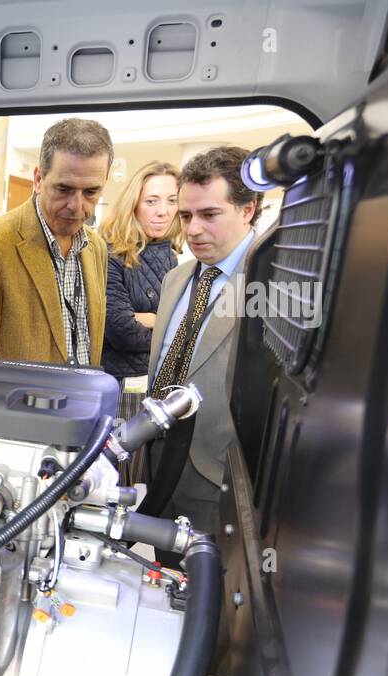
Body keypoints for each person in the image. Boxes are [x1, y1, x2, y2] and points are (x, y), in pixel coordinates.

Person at [146, 146, 260, 544]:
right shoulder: (175, 279)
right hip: (157, 460)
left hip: (217, 478)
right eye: (187, 216)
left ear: (247, 209)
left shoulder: (277, 284)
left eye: (210, 215)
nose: (193, 229)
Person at [0, 118, 112, 366]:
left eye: (91, 192)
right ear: (38, 179)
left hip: (82, 402)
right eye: (63, 189)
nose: (77, 206)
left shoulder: (96, 248)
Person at [100, 161, 182, 384]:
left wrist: (151, 319)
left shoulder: (170, 255)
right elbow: (122, 332)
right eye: (151, 201)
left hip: (160, 376)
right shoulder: (111, 253)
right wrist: (163, 324)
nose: (163, 211)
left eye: (172, 201)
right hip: (118, 381)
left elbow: (182, 322)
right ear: (133, 204)